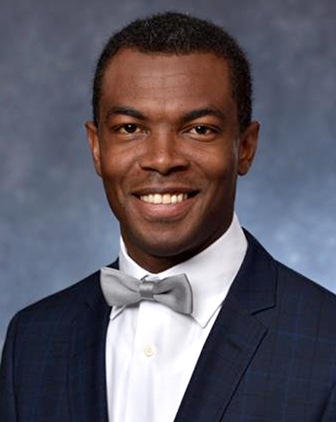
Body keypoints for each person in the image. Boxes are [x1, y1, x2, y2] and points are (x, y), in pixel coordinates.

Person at [0, 11, 335, 422]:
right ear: (96, 148)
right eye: (129, 128)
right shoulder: (32, 340)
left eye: (199, 129)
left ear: (245, 147)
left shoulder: (327, 342)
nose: (161, 160)